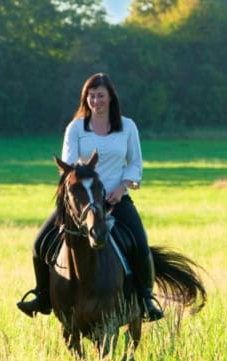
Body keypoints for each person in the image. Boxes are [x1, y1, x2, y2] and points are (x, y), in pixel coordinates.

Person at [16, 73, 163, 322]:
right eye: (91, 96)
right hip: (81, 200)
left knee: (140, 242)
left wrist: (122, 188)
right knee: (39, 243)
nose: (96, 101)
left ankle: (146, 299)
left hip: (116, 199)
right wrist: (84, 191)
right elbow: (69, 166)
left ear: (111, 98)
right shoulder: (76, 128)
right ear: (86, 98)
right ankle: (42, 296)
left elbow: (135, 163)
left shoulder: (127, 127)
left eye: (101, 96)